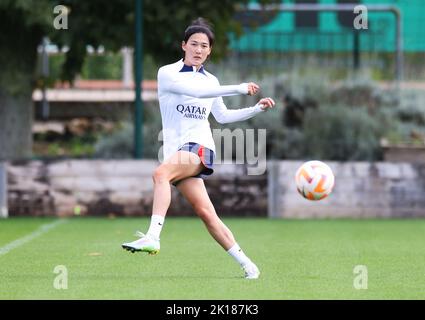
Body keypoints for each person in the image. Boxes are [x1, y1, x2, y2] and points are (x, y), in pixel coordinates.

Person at [122, 18, 275, 279]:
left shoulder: (212, 81)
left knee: (160, 175)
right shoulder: (167, 73)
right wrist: (238, 87)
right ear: (183, 46)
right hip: (176, 150)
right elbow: (196, 92)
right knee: (207, 214)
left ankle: (152, 237)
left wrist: (255, 109)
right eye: (194, 44)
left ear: (209, 51)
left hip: (200, 147)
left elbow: (223, 117)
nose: (199, 49)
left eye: (204, 46)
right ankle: (248, 265)